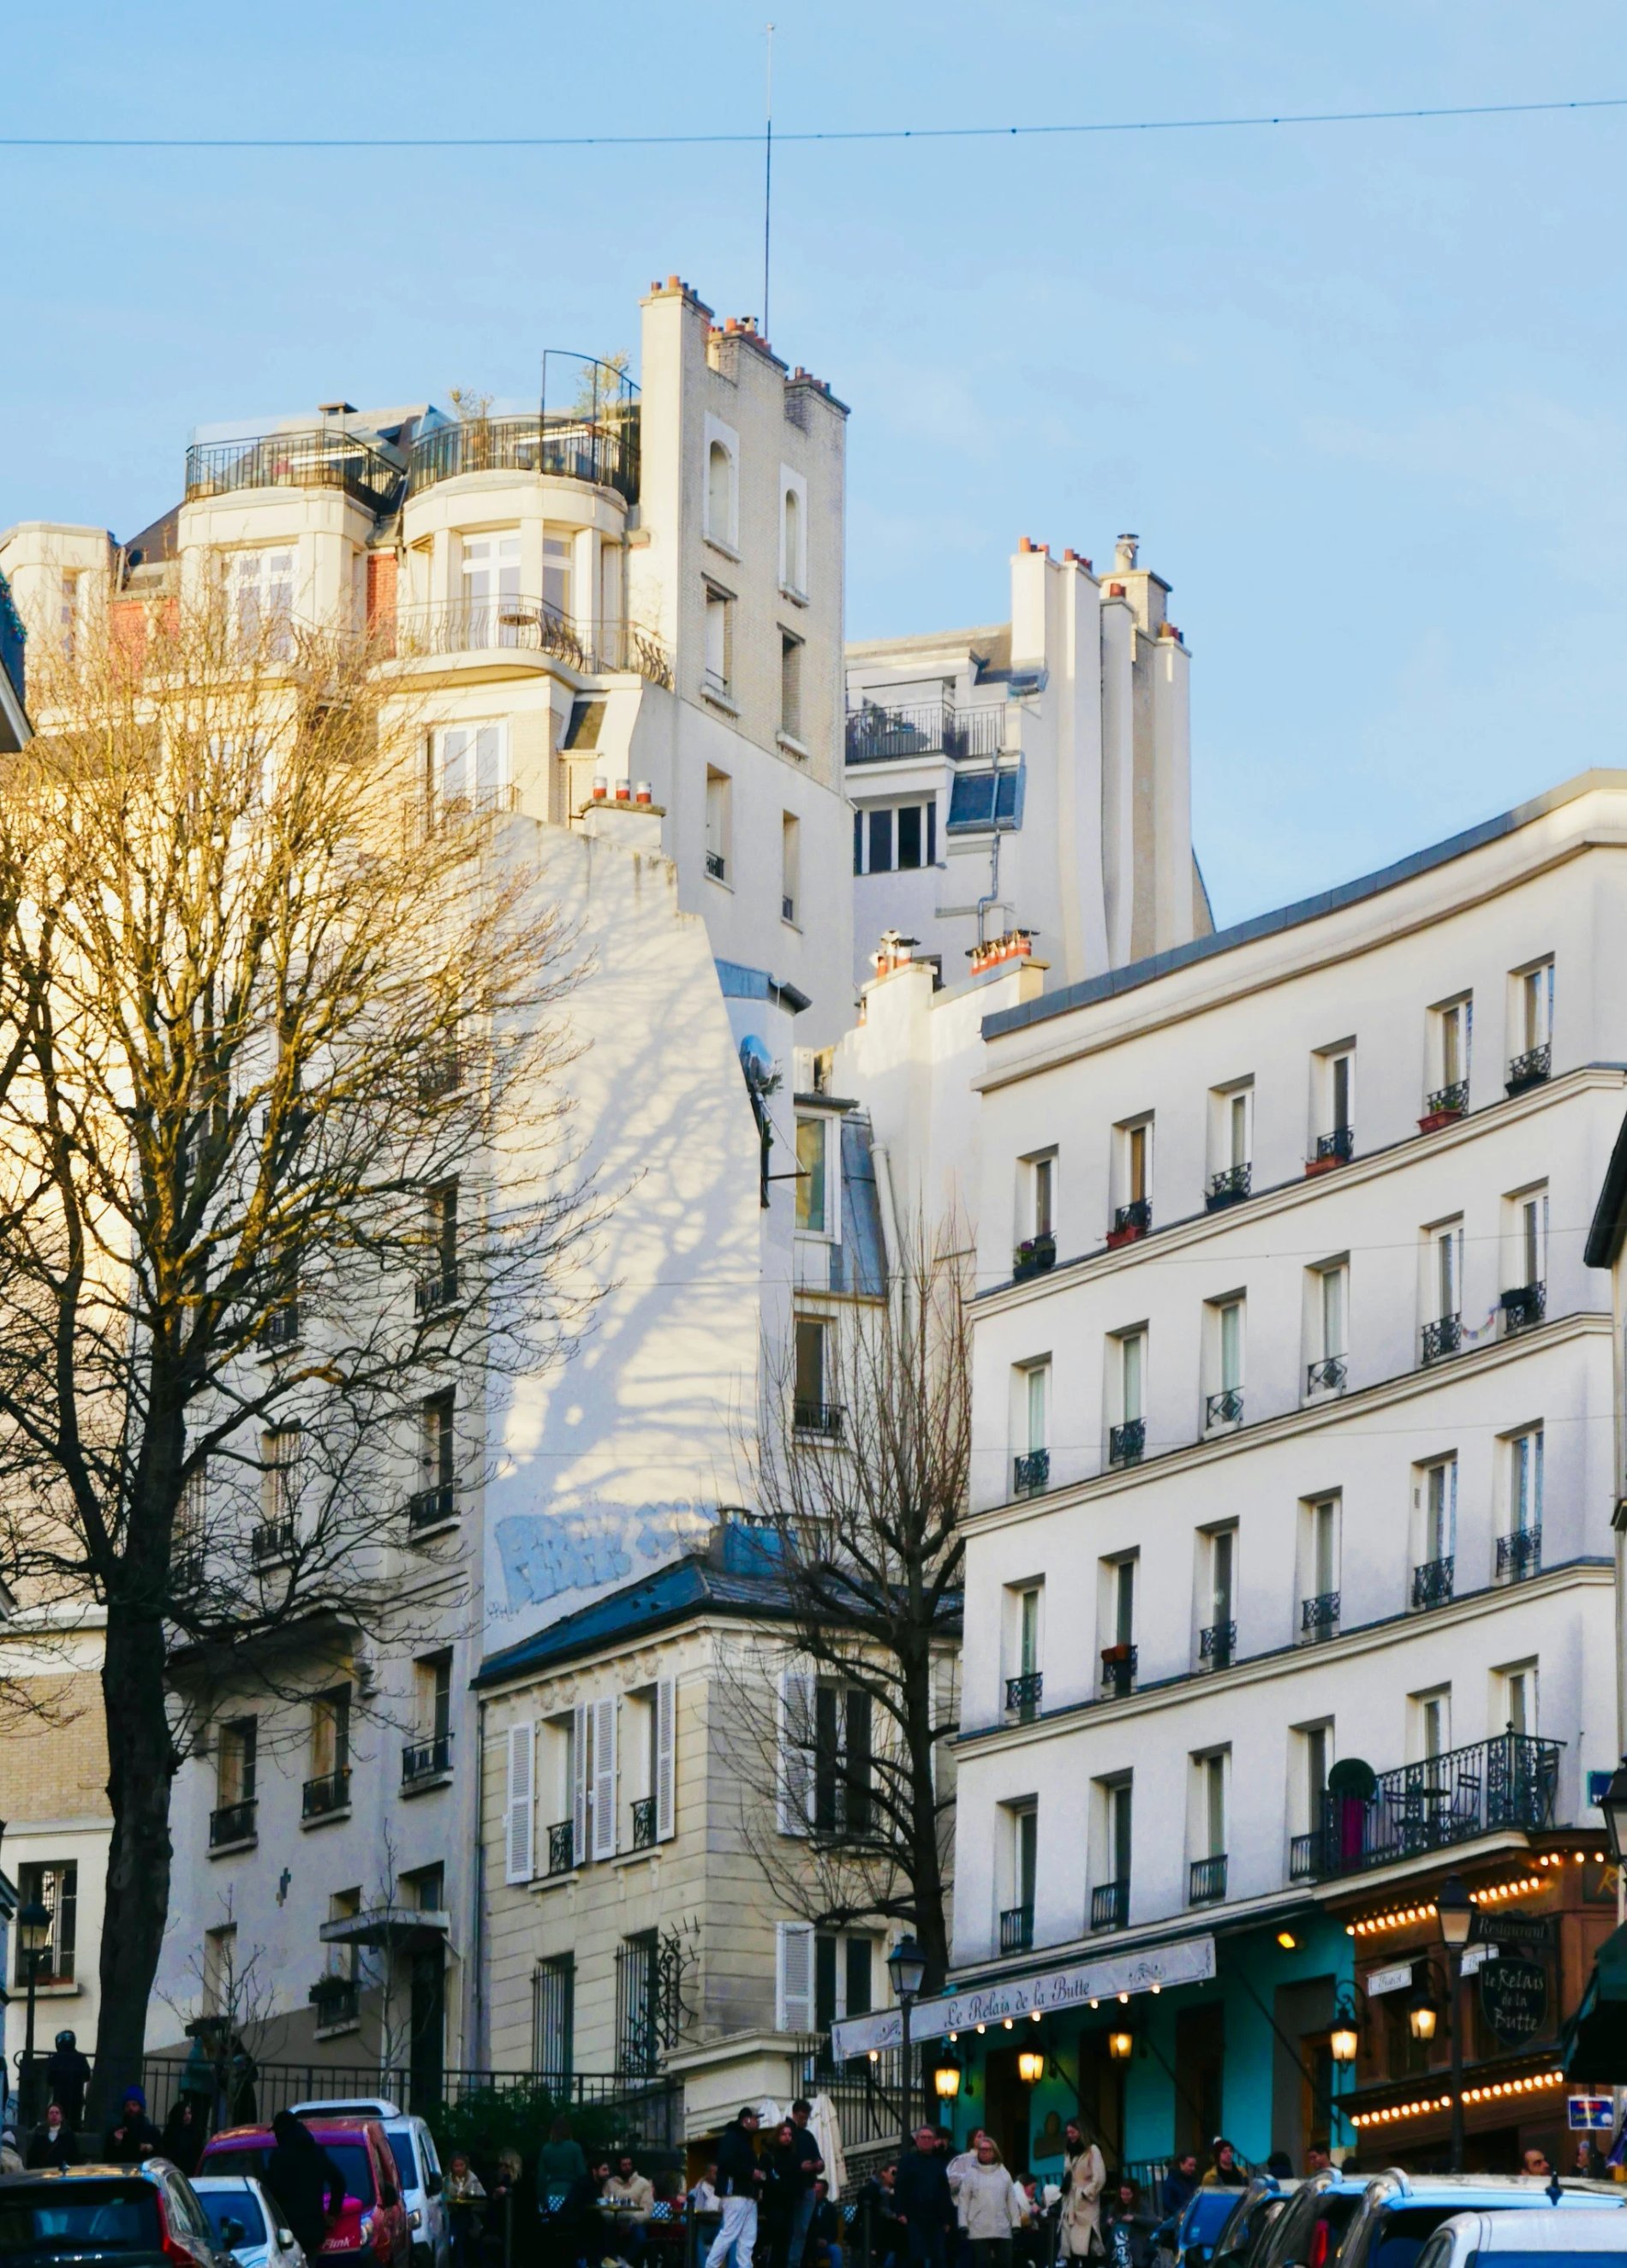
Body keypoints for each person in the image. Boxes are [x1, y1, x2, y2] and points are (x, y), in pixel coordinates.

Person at [265, 2108, 346, 2265]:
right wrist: (332, 2213)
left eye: (276, 2133)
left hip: (286, 2230)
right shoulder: (316, 2152)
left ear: (282, 2132)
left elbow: (271, 2190)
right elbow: (339, 2182)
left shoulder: (279, 2157)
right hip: (312, 2229)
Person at [948, 2135, 1024, 2268]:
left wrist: (1016, 2223)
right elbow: (964, 2200)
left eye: (988, 2150)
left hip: (1002, 2227)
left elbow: (1011, 2199)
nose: (984, 2152)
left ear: (994, 2152)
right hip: (978, 2228)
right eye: (981, 2150)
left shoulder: (1003, 2172)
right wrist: (963, 2224)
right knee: (982, 2264)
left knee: (1004, 2263)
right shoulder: (971, 2174)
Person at [707, 2109, 765, 2268]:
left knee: (747, 2237)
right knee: (730, 2233)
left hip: (746, 2194)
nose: (757, 2122)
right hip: (735, 2193)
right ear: (746, 2120)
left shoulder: (742, 2139)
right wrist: (750, 2172)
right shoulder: (732, 2138)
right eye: (755, 2119)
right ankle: (711, 2266)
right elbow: (726, 2162)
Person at [895, 2126, 955, 2268]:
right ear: (917, 2140)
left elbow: (944, 2191)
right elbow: (900, 2187)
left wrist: (947, 2219)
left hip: (936, 2218)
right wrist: (900, 2212)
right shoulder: (907, 2161)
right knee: (916, 2257)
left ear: (934, 2141)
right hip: (914, 2216)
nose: (926, 2141)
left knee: (939, 2257)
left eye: (929, 2138)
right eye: (923, 2137)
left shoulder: (939, 2163)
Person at [1058, 2123, 1106, 2263]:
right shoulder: (1068, 2152)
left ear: (1081, 2132)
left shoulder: (1092, 2150)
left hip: (1086, 2205)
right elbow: (1067, 2173)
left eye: (1073, 2132)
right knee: (1070, 2248)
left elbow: (1100, 2177)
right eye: (1068, 2133)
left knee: (1086, 2244)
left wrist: (1085, 2193)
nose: (1070, 2135)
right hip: (1070, 2202)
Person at [759, 2121, 802, 2268]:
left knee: (785, 2242)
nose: (787, 2137)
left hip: (788, 2204)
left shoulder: (793, 2157)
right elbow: (766, 2180)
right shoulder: (769, 2156)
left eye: (790, 2135)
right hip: (774, 2204)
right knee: (777, 2240)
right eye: (784, 2134)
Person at [788, 2102, 825, 2268]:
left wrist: (819, 2164)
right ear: (795, 2114)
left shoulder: (807, 2136)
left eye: (806, 2118)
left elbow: (819, 2160)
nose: (805, 2121)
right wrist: (801, 2167)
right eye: (802, 2118)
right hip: (793, 2188)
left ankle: (795, 2263)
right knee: (796, 2229)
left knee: (802, 2229)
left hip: (807, 2187)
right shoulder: (789, 2134)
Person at [556, 2159, 613, 2268]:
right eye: (604, 2170)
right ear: (594, 2171)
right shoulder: (584, 2183)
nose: (607, 2173)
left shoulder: (603, 2184)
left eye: (608, 2170)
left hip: (589, 2218)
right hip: (575, 2220)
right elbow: (577, 2205)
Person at [605, 2152, 655, 2267]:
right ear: (619, 2166)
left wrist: (631, 2222)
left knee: (639, 2236)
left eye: (629, 2164)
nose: (627, 2167)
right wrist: (618, 2221)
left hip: (635, 2223)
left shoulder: (643, 2184)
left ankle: (623, 2262)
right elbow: (604, 2207)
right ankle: (614, 2260)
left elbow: (647, 2209)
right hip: (615, 2222)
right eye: (624, 2165)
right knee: (604, 2233)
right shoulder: (609, 2184)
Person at [444, 2152, 488, 2268]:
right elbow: (442, 2195)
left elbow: (482, 2195)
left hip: (469, 2213)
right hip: (451, 2213)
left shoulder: (472, 2179)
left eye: (461, 2165)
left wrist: (468, 2195)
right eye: (456, 2166)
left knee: (464, 2233)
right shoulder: (447, 2180)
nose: (459, 2168)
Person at [1102, 2180, 1157, 2268]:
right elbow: (1107, 2222)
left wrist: (1134, 2218)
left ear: (1134, 2194)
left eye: (1128, 2194)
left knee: (1133, 2249)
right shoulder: (1116, 2206)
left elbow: (1154, 2221)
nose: (1124, 2197)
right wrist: (1110, 2221)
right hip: (1118, 2241)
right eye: (1122, 2194)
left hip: (1136, 2240)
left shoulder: (1142, 2205)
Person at [45, 2032, 92, 2131]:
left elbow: (50, 2080)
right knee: (75, 2119)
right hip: (77, 2095)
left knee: (60, 2120)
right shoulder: (81, 2058)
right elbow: (87, 2076)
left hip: (60, 2096)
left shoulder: (55, 2059)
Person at [103, 2086, 161, 2164]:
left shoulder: (152, 2132)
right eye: (127, 2106)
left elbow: (160, 2156)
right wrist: (117, 2142)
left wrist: (150, 2147)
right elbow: (109, 2159)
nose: (131, 2109)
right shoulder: (116, 2132)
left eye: (134, 2105)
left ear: (141, 2107)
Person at [161, 2095, 210, 2178]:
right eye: (184, 2114)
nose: (188, 2116)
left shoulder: (195, 2131)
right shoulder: (171, 2132)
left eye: (189, 2113)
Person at [26, 2103, 76, 2170]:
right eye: (51, 2113)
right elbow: (32, 2157)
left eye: (57, 2113)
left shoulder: (68, 2135)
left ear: (61, 2117)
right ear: (47, 2117)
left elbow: (74, 2157)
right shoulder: (39, 2134)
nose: (54, 2115)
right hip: (42, 2172)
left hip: (62, 2172)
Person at [1159, 2156, 1199, 2220]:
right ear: (1181, 2165)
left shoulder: (1191, 2179)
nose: (1193, 2168)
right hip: (1177, 2219)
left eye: (1194, 2166)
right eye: (1190, 2165)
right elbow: (1168, 2203)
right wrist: (1181, 2213)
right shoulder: (1171, 2182)